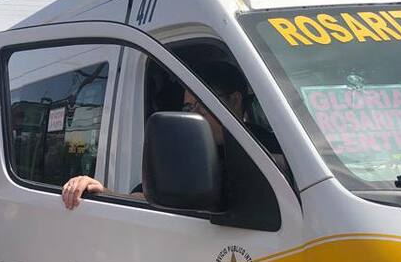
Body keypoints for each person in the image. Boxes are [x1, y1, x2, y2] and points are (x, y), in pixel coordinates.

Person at [61, 62, 270, 210]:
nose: (194, 115)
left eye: (201, 105)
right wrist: (102, 192)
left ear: (234, 100)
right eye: (188, 107)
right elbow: (151, 196)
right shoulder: (187, 149)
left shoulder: (267, 146)